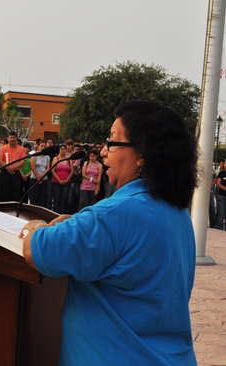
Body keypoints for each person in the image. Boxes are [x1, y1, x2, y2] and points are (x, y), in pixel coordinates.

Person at [22, 100, 198, 365]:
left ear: (142, 154)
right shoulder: (176, 212)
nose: (104, 152)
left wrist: (34, 226)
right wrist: (81, 221)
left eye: (112, 142)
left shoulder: (115, 214)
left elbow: (38, 250)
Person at [0, 131, 26, 202]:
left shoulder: (22, 149)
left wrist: (13, 168)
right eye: (11, 137)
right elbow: (0, 160)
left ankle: (13, 211)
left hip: (16, 173)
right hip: (5, 173)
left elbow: (22, 161)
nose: (12, 139)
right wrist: (8, 168)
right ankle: (3, 210)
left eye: (14, 137)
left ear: (16, 138)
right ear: (8, 138)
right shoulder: (3, 148)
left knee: (15, 193)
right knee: (3, 193)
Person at [50, 144, 73, 214]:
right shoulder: (55, 159)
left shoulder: (69, 159)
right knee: (56, 199)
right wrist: (59, 180)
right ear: (59, 150)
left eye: (64, 149)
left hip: (67, 182)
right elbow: (52, 170)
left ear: (66, 150)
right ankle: (55, 214)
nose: (63, 150)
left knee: (64, 199)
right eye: (61, 149)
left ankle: (62, 215)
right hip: (56, 182)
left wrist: (66, 180)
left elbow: (72, 171)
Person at [29, 142, 50, 208]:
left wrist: (42, 176)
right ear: (38, 147)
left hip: (44, 178)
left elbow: (48, 168)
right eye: (41, 146)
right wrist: (38, 177)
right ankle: (32, 209)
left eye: (44, 146)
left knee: (42, 195)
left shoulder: (47, 156)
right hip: (34, 178)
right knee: (34, 195)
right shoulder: (35, 155)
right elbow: (32, 167)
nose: (43, 148)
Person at [217, 160, 226, 230]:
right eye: (225, 163)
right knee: (221, 213)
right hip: (221, 196)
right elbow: (218, 184)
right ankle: (219, 229)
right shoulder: (221, 173)